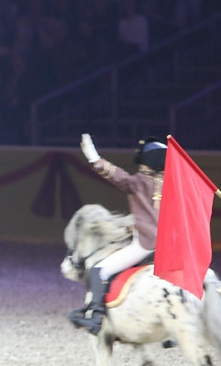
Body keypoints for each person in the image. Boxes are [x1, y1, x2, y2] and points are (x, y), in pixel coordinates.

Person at [69, 134, 166, 335]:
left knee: (99, 270)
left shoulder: (138, 182)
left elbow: (115, 174)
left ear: (147, 164)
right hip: (168, 246)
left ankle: (95, 317)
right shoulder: (171, 185)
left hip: (146, 245)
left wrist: (93, 156)